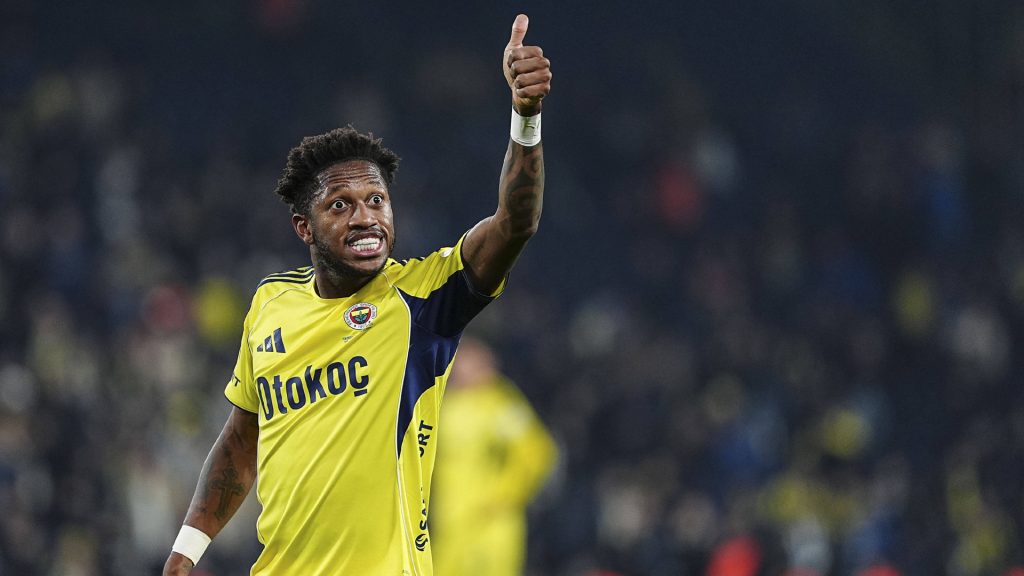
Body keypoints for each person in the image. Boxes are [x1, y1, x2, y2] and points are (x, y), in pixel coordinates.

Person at [162, 13, 551, 576]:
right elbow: (242, 440)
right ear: (304, 227)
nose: (366, 216)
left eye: (377, 200)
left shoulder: (424, 300)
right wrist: (185, 552)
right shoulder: (271, 305)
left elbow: (515, 223)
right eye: (340, 204)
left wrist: (525, 118)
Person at [431, 337, 557, 576]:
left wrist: (503, 495)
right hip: (450, 522)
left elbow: (537, 452)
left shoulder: (499, 404)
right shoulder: (443, 401)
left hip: (491, 525)